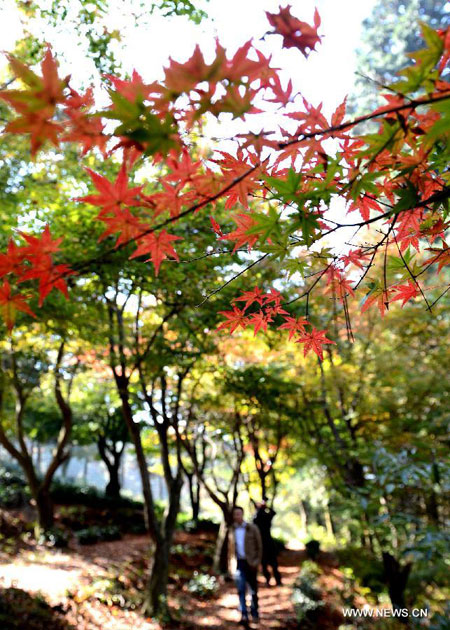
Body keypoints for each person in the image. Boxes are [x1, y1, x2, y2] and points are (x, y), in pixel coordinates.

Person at [231, 505, 263, 627]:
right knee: (240, 589)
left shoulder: (252, 528)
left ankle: (254, 613)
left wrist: (256, 562)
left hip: (251, 563)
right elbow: (230, 549)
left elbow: (259, 547)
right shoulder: (231, 530)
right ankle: (244, 614)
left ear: (242, 514)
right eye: (235, 514)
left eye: (238, 514)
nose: (237, 516)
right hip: (239, 563)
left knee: (253, 590)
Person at [253, 498, 282, 586]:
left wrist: (266, 506)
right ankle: (268, 581)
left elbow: (273, 513)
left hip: (269, 543)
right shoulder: (257, 517)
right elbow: (256, 519)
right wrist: (263, 507)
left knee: (273, 564)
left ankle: (277, 581)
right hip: (262, 545)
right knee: (265, 564)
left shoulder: (266, 516)